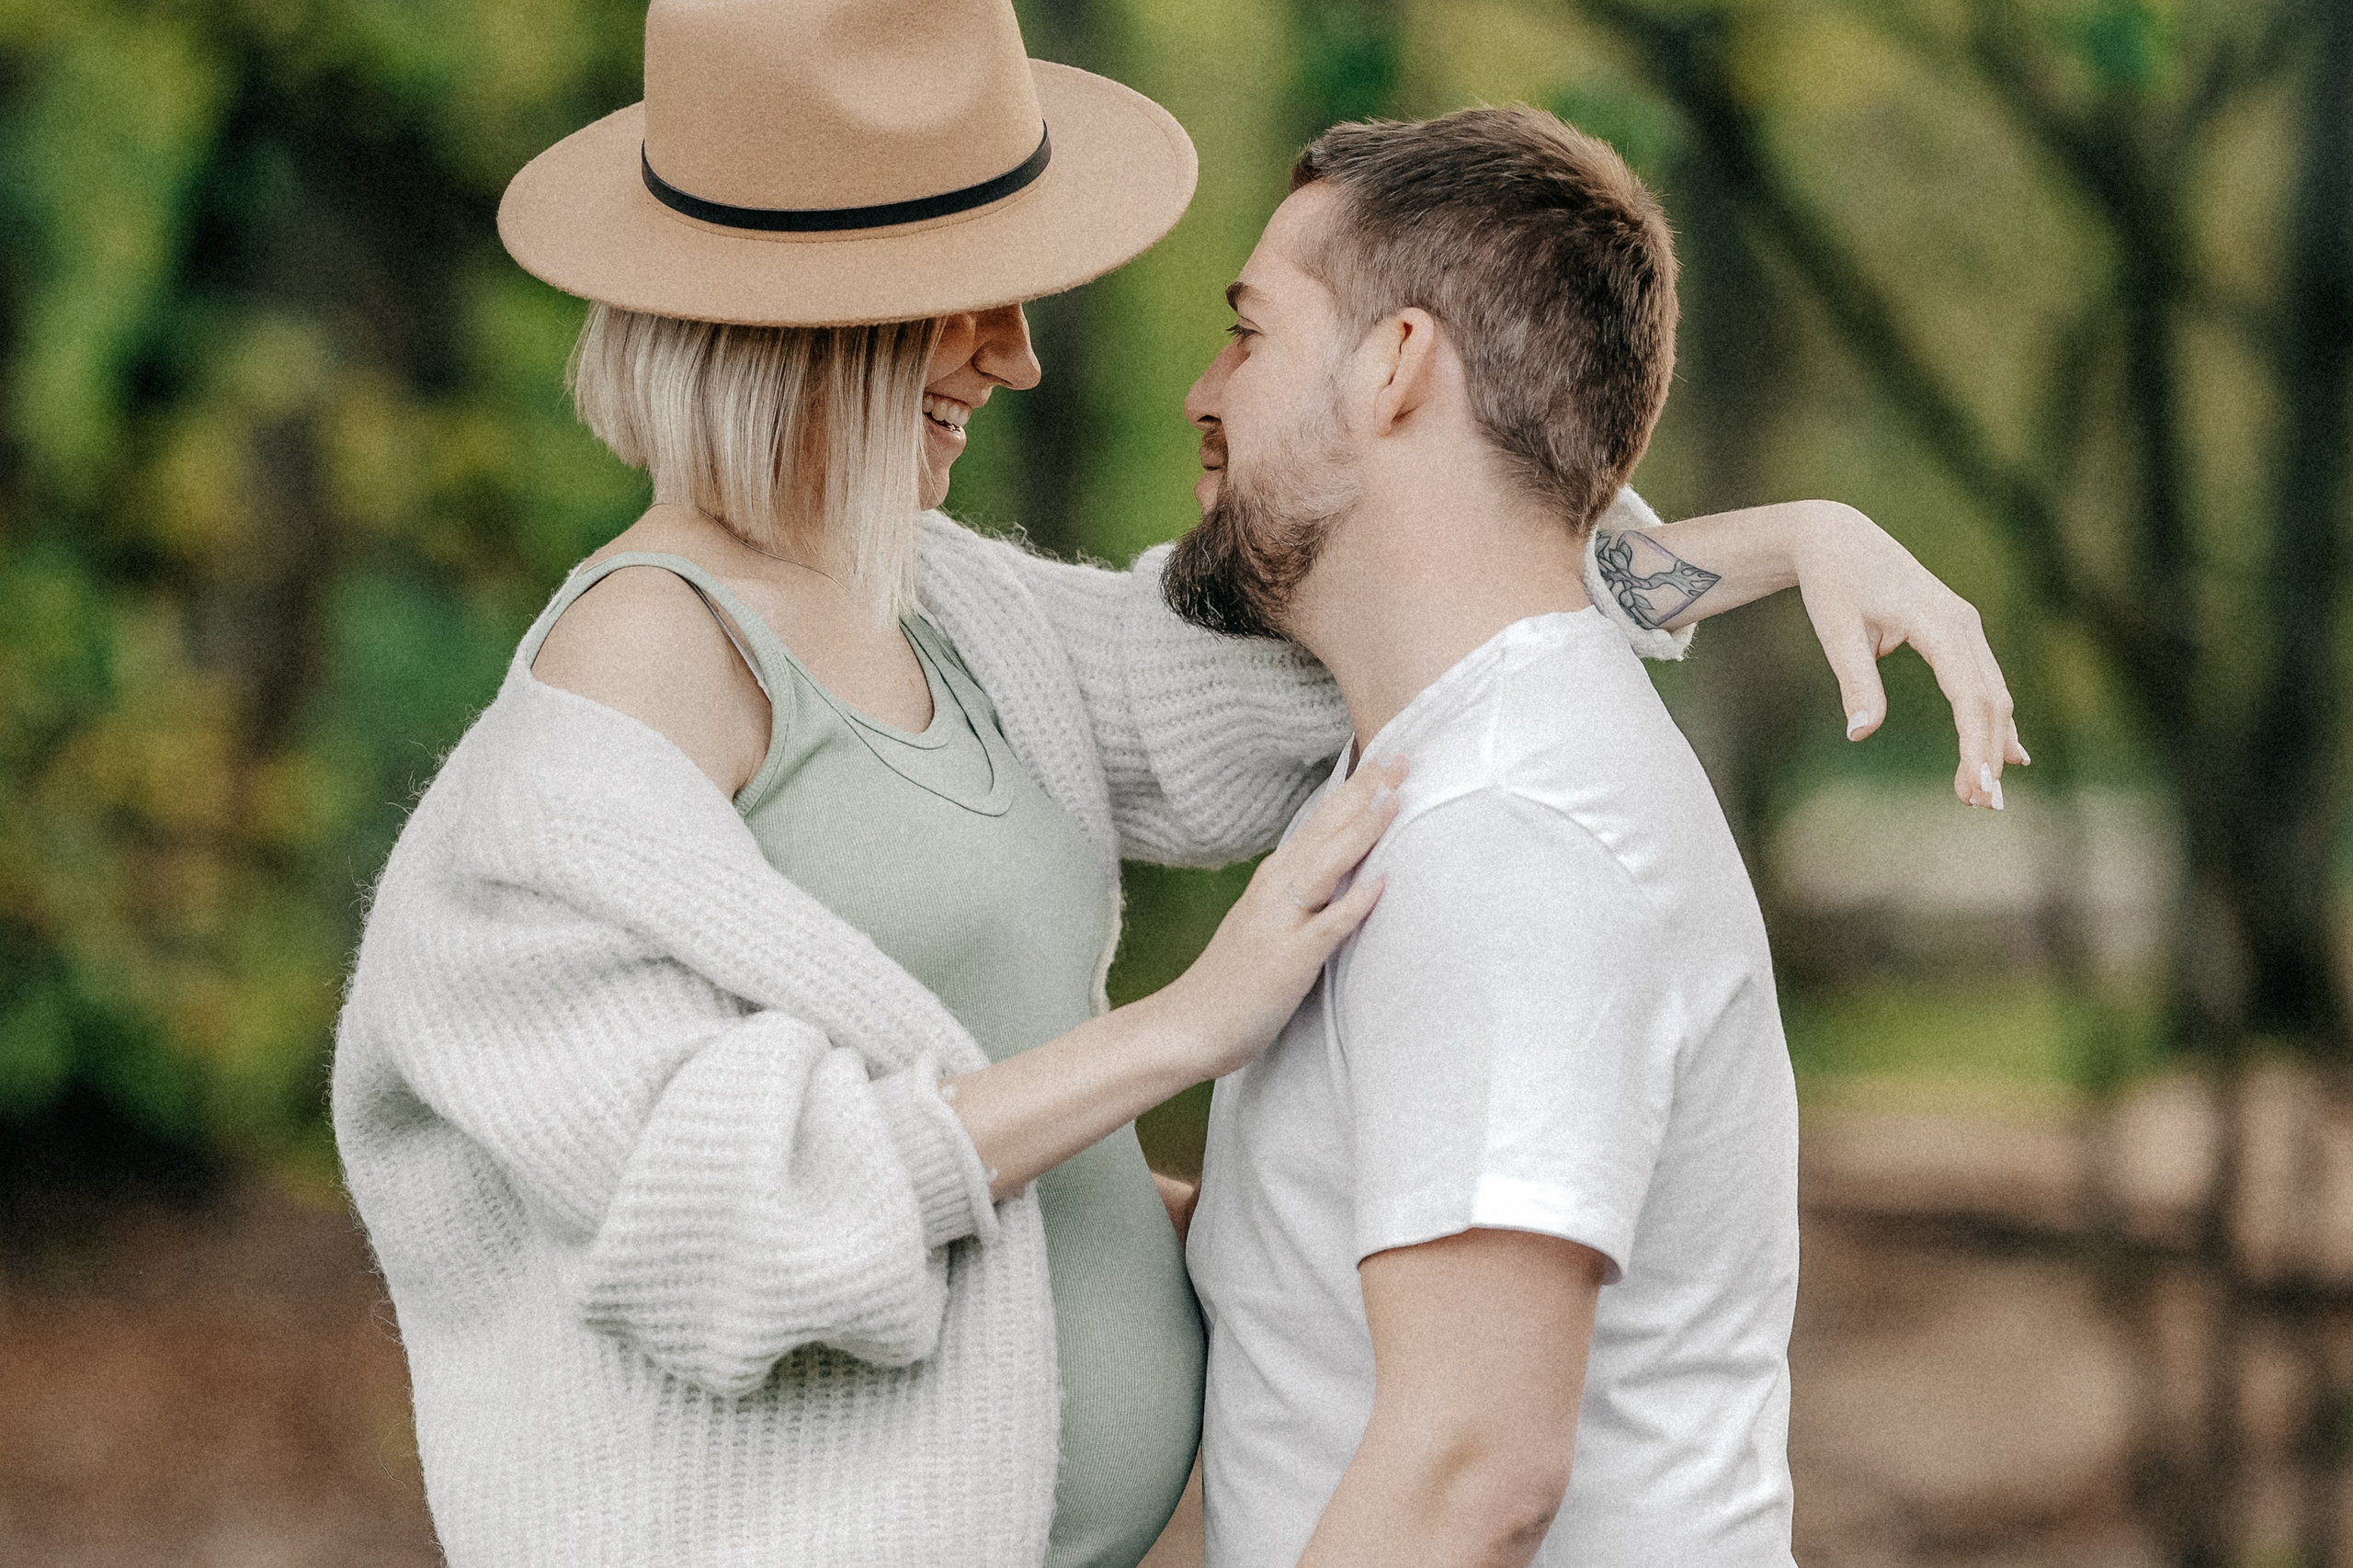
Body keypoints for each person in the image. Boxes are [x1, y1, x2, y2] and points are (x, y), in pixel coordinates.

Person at [331, 4, 2018, 1567]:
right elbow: (714, 1216)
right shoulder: (621, 685)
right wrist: (1182, 1030)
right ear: (806, 319)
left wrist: (1778, 544)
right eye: (968, 296)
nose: (1017, 357)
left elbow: (1370, 604)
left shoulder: (941, 605)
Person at [1173, 108, 2016, 1568]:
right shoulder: (1444, 768)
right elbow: (1333, 1265)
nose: (1207, 388)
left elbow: (1473, 1469)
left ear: (1397, 366)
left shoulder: (1508, 831)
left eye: (1249, 332)